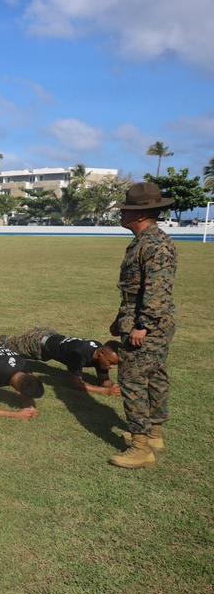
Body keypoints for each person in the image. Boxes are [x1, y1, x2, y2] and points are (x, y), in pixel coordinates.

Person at [107, 182, 178, 469]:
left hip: (149, 323)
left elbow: (157, 290)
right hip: (141, 318)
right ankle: (155, 434)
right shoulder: (146, 240)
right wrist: (120, 319)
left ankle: (140, 447)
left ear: (139, 215)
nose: (121, 214)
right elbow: (136, 289)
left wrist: (143, 325)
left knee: (133, 380)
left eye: (125, 210)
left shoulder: (155, 244)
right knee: (155, 375)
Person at [0, 327, 121, 396]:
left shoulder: (100, 354)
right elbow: (76, 384)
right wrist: (106, 391)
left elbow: (104, 380)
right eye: (112, 362)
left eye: (114, 363)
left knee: (4, 342)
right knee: (1, 343)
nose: (112, 367)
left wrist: (113, 387)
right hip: (37, 343)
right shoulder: (79, 355)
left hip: (51, 336)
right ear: (101, 353)